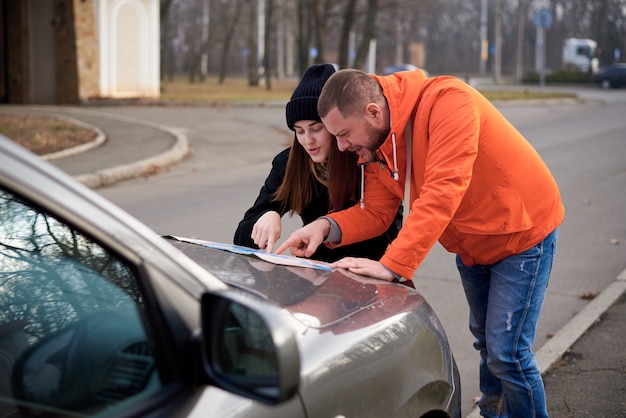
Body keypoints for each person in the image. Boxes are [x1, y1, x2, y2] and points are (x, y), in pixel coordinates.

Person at [276, 68, 564, 417]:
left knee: (508, 353)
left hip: (520, 233)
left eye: (345, 134)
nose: (341, 146)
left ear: (373, 112)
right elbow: (377, 210)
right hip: (473, 246)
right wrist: (324, 227)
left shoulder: (450, 103)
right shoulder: (379, 141)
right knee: (489, 346)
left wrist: (390, 266)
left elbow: (441, 194)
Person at [234, 64, 401, 263]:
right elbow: (241, 237)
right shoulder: (288, 163)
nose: (307, 140)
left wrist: (325, 231)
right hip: (315, 278)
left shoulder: (365, 156)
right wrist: (266, 215)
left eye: (316, 129)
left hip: (367, 275)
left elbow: (386, 226)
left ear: (334, 125)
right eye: (299, 131)